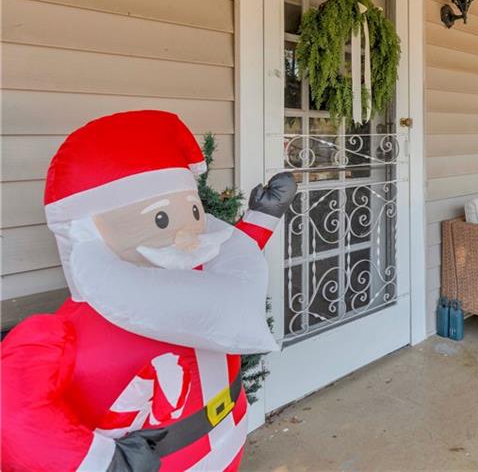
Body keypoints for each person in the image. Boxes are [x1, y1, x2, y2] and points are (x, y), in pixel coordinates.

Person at [1, 110, 296, 471]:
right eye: (161, 219)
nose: (189, 234)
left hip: (228, 440)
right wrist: (103, 463)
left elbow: (231, 275)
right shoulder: (58, 335)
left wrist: (262, 218)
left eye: (192, 210)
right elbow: (13, 413)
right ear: (86, 231)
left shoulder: (194, 275)